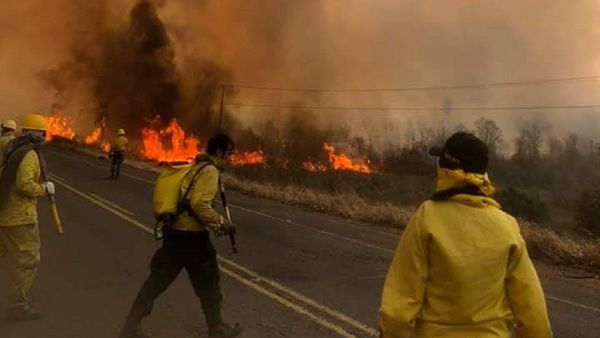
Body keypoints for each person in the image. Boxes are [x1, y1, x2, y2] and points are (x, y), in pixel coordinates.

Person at [379, 132, 552, 338]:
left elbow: (401, 301)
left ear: (445, 168)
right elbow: (531, 306)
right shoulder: (506, 225)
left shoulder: (427, 217)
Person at [119, 134, 241, 338]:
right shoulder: (210, 171)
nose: (230, 158)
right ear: (219, 152)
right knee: (209, 284)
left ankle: (130, 326)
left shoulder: (196, 165)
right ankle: (217, 328)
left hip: (174, 234)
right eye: (229, 153)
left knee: (156, 282)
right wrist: (222, 224)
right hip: (193, 238)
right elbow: (199, 204)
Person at [0, 113, 55, 320]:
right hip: (20, 217)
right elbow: (24, 184)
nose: (44, 137)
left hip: (5, 212)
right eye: (43, 133)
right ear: (36, 134)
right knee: (28, 260)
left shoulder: (13, 148)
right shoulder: (29, 154)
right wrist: (43, 188)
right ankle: (16, 305)